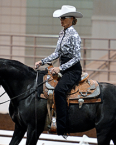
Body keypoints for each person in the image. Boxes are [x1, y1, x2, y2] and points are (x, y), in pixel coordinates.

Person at [35, 5, 83, 135]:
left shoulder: (74, 35)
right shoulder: (62, 33)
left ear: (71, 18)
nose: (61, 20)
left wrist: (60, 67)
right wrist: (42, 61)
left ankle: (62, 127)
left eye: (63, 18)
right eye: (60, 18)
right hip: (63, 69)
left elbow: (77, 58)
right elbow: (57, 53)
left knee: (59, 91)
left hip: (73, 71)